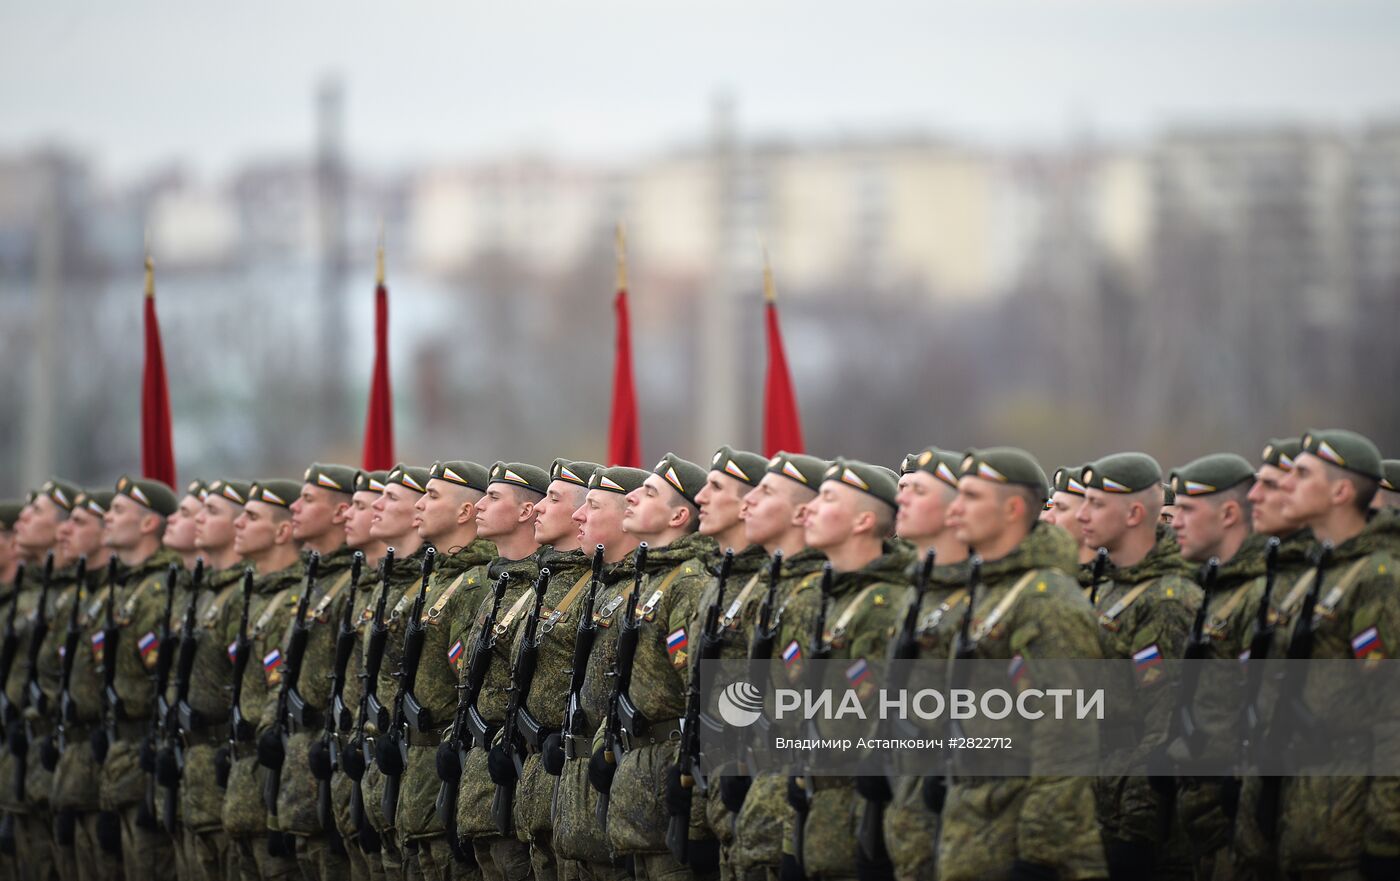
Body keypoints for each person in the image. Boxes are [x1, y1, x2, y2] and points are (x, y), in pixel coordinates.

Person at [936, 448, 1107, 881]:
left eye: (971, 497)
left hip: (1025, 844)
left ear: (1012, 509)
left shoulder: (1047, 600)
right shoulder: (989, 589)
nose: (954, 509)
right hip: (975, 832)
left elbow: (1067, 735)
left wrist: (1040, 854)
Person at [771, 458, 911, 881]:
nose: (810, 509)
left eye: (828, 499)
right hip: (817, 816)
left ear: (865, 520)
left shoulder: (885, 605)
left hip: (859, 818)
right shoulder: (829, 597)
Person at [1269, 429, 1400, 878]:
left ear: (1342, 491)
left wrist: (1386, 838)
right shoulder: (1319, 571)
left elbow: (1393, 714)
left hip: (1343, 831)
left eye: (1301, 475)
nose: (1286, 484)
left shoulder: (1377, 577)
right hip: (1299, 820)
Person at [590, 453, 717, 881]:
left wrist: (696, 810)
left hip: (667, 783)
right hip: (637, 788)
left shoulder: (688, 583)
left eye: (648, 493)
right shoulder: (649, 582)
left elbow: (702, 699)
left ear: (680, 515)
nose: (632, 499)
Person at [1077, 453, 1200, 879]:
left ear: (1133, 513)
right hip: (1094, 805)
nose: (1081, 514)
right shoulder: (1107, 588)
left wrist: (1136, 831)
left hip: (1133, 821)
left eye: (1095, 504)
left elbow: (1163, 725)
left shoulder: (1167, 600)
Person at [860, 447, 972, 881]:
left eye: (916, 490)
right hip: (901, 807)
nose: (900, 499)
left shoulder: (982, 596)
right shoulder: (912, 589)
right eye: (900, 488)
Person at [497, 459, 601, 881]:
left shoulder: (600, 590)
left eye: (554, 499)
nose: (542, 508)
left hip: (583, 780)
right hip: (538, 781)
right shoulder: (538, 583)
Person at [728, 452, 829, 881]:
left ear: (801, 512)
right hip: (758, 791)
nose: (745, 503)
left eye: (765, 492)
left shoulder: (811, 598)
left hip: (790, 804)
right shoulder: (773, 588)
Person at [394, 459, 496, 881]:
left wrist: (726, 777)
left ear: (463, 512)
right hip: (417, 776)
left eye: (432, 496)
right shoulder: (433, 581)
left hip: (450, 773)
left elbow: (470, 688)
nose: (419, 504)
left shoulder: (476, 585)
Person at [1164, 453, 1262, 879]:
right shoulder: (1215, 590)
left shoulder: (1260, 595)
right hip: (1203, 819)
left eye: (1187, 509)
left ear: (1228, 513)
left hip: (1241, 821)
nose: (1174, 521)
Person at [453, 462, 549, 881]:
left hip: (528, 783)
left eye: (493, 497)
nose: (479, 507)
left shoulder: (549, 589)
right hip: (484, 782)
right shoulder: (495, 586)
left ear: (527, 511)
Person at [553, 466, 648, 881]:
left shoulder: (657, 592)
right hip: (580, 799)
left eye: (591, 505)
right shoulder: (604, 589)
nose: (578, 515)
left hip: (638, 793)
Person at [267, 463, 360, 881]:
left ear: (339, 513)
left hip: (337, 765)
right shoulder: (313, 581)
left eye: (308, 500)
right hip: (297, 767)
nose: (295, 508)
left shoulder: (353, 584)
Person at [688, 446, 771, 881]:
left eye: (715, 488)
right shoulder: (717, 584)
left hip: (761, 796)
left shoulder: (768, 590)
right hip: (715, 786)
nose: (700, 497)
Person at [98, 476, 183, 881]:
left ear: (150, 523)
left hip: (147, 758)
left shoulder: (157, 590)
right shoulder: (125, 587)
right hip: (120, 760)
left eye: (117, 510)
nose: (106, 518)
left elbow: (161, 682)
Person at [222, 480, 305, 881]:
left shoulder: (296, 600)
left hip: (276, 779)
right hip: (241, 782)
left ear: (282, 531)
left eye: (251, 516)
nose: (239, 523)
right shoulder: (247, 597)